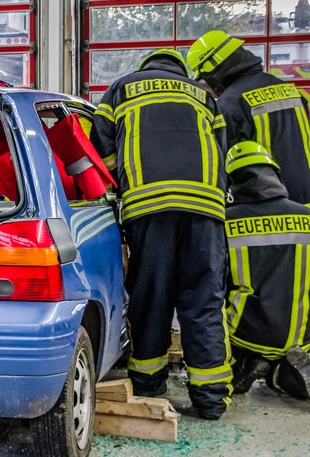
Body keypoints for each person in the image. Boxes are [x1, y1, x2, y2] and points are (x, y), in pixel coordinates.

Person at [90, 49, 233, 420]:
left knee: (152, 296)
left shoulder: (123, 88)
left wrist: (120, 183)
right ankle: (211, 398)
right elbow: (222, 151)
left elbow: (99, 149)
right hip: (206, 210)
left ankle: (149, 385)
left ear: (146, 67)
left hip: (149, 207)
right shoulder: (203, 95)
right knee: (204, 299)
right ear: (180, 70)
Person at [223, 141, 310, 400]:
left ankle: (247, 363)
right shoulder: (306, 217)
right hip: (301, 336)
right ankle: (280, 372)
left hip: (245, 334)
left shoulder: (226, 221)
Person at [186, 30, 310, 205]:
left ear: (214, 71)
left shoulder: (230, 104)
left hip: (268, 205)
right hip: (305, 200)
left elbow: (223, 166)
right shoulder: (290, 91)